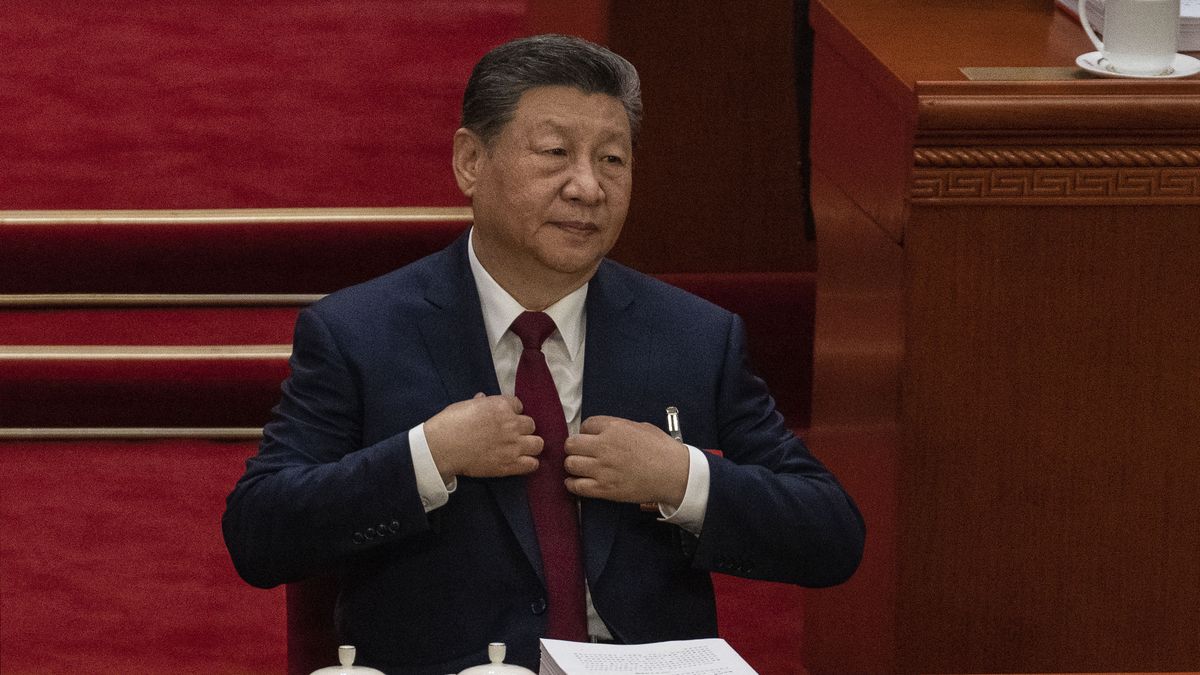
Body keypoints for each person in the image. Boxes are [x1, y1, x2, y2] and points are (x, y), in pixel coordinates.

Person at [223, 33, 864, 674]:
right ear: (471, 162)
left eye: (612, 160)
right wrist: (428, 456)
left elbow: (831, 535)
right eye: (555, 153)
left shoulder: (694, 335)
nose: (588, 187)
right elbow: (259, 533)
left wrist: (683, 479)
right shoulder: (360, 332)